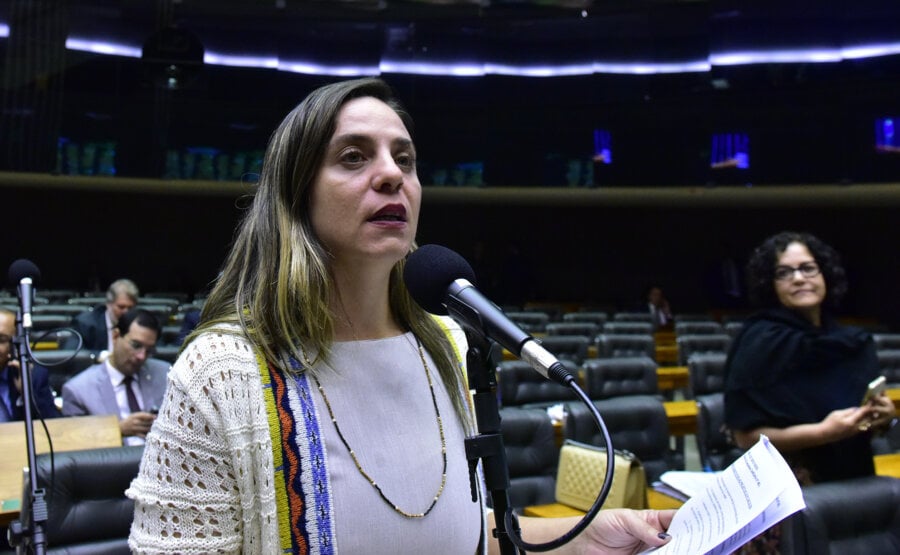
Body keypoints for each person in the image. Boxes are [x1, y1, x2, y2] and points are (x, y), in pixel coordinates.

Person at [126, 78, 674, 554]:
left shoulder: (449, 347)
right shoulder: (221, 373)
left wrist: (582, 538)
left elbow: (458, 534)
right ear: (297, 195)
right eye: (354, 156)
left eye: (404, 159)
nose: (392, 175)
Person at [724, 231, 895, 485]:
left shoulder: (851, 341)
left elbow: (864, 419)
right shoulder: (759, 342)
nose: (799, 278)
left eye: (808, 268)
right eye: (784, 273)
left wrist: (883, 417)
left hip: (857, 477)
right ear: (771, 284)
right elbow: (745, 438)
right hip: (793, 486)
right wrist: (823, 433)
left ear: (825, 274)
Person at [61, 308, 168, 446]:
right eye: (136, 345)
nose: (141, 356)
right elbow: (72, 443)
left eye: (149, 350)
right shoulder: (78, 390)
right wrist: (118, 430)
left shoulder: (164, 374)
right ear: (116, 336)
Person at [0, 309, 61, 422]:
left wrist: (27, 394)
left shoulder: (33, 375)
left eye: (1, 340)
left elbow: (53, 426)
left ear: (15, 346)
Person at [64, 278, 140, 354]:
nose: (126, 312)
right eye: (121, 307)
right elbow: (72, 354)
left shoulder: (139, 325)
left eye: (130, 308)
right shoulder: (85, 324)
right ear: (108, 304)